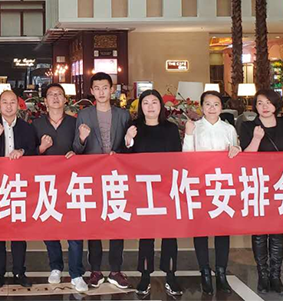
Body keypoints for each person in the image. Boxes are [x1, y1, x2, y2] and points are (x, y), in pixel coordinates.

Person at [73, 72, 131, 289]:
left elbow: (129, 147)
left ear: (112, 89)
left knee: (117, 220)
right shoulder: (84, 115)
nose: (101, 92)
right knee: (94, 224)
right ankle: (95, 270)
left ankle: (116, 270)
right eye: (97, 88)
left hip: (116, 176)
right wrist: (81, 139)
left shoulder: (123, 115)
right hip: (93, 176)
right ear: (91, 91)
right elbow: (76, 149)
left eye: (105, 87)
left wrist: (125, 146)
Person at [124, 90, 183, 297]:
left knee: (170, 234)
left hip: (166, 188)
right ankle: (145, 275)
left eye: (154, 102)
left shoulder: (171, 129)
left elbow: (177, 158)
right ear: (140, 107)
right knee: (146, 235)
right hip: (143, 189)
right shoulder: (134, 127)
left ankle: (171, 275)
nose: (150, 106)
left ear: (161, 106)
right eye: (146, 102)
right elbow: (124, 158)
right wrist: (128, 139)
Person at [183, 90, 242, 296]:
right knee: (200, 230)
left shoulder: (229, 128)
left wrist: (237, 149)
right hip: (200, 185)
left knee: (222, 230)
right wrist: (188, 135)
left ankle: (221, 272)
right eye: (207, 104)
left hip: (222, 185)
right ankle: (205, 272)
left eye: (216, 104)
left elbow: (235, 152)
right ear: (201, 107)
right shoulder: (195, 127)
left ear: (221, 107)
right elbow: (186, 155)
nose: (212, 108)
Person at [239, 89, 283, 295]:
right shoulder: (248, 126)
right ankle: (262, 275)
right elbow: (245, 156)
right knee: (259, 231)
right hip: (257, 184)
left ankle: (275, 276)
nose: (264, 107)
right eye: (260, 103)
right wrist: (256, 139)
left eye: (268, 103)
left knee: (277, 231)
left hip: (280, 184)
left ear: (276, 105)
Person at [32, 84, 87, 293]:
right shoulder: (36, 124)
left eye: (59, 95)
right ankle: (55, 266)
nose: (55, 98)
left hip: (71, 183)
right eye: (51, 95)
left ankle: (76, 273)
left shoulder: (75, 122)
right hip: (46, 183)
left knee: (74, 229)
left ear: (65, 100)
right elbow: (28, 153)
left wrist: (78, 148)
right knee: (50, 227)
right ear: (45, 101)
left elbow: (83, 150)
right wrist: (41, 148)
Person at [0, 90, 37, 288]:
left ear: (18, 105)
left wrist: (22, 151)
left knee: (18, 232)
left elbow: (33, 151)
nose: (8, 106)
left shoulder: (27, 127)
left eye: (12, 102)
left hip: (18, 184)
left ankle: (19, 272)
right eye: (4, 102)